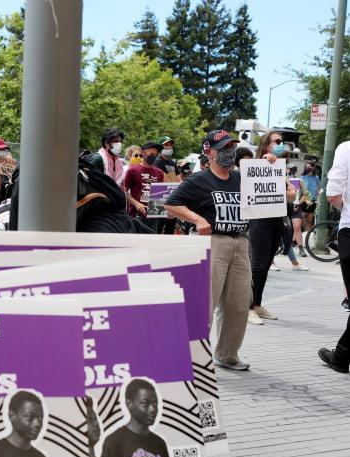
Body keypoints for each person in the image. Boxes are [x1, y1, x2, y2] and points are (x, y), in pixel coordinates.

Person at [165, 130, 252, 370]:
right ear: (209, 152)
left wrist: (271, 165)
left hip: (241, 243)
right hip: (213, 243)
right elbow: (171, 204)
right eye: (223, 148)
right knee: (204, 304)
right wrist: (197, 219)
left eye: (232, 147)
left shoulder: (241, 178)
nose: (229, 152)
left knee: (238, 304)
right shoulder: (198, 180)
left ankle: (227, 354)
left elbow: (278, 193)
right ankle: (193, 356)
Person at [245, 131, 295, 326]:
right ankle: (248, 307)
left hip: (276, 220)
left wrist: (277, 174)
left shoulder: (279, 168)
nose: (281, 144)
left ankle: (257, 304)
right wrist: (269, 164)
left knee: (266, 265)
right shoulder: (257, 165)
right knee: (257, 265)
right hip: (260, 221)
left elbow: (292, 194)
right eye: (277, 141)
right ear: (267, 145)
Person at [100, 378, 174, 457]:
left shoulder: (160, 443)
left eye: (155, 404)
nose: (153, 409)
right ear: (129, 404)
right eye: (145, 403)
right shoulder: (113, 442)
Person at [318, 140, 350, 373]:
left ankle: (340, 356)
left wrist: (347, 210)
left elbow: (332, 194)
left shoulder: (346, 149)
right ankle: (341, 355)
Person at [122, 141, 165, 226]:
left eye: (156, 155)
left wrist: (163, 208)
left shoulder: (160, 173)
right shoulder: (132, 170)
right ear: (143, 153)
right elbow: (124, 191)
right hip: (135, 215)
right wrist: (136, 204)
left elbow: (159, 196)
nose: (154, 157)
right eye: (151, 154)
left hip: (153, 216)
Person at [301, 162, 320, 230]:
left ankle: (307, 233)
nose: (308, 168)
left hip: (313, 200)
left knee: (310, 219)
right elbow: (299, 190)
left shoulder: (316, 177)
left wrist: (319, 194)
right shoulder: (302, 177)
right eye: (306, 167)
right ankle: (302, 232)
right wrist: (306, 200)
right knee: (303, 217)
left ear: (313, 168)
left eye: (309, 167)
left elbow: (318, 189)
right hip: (304, 200)